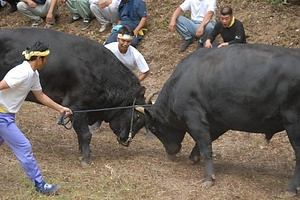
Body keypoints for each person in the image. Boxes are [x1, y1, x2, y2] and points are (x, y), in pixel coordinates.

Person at [0, 41, 73, 195]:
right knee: (24, 146)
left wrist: (60, 108)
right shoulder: (21, 73)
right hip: (2, 116)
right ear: (39, 59)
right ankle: (40, 185)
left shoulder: (33, 74)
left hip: (8, 115)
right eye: (45, 59)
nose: (47, 62)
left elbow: (40, 96)